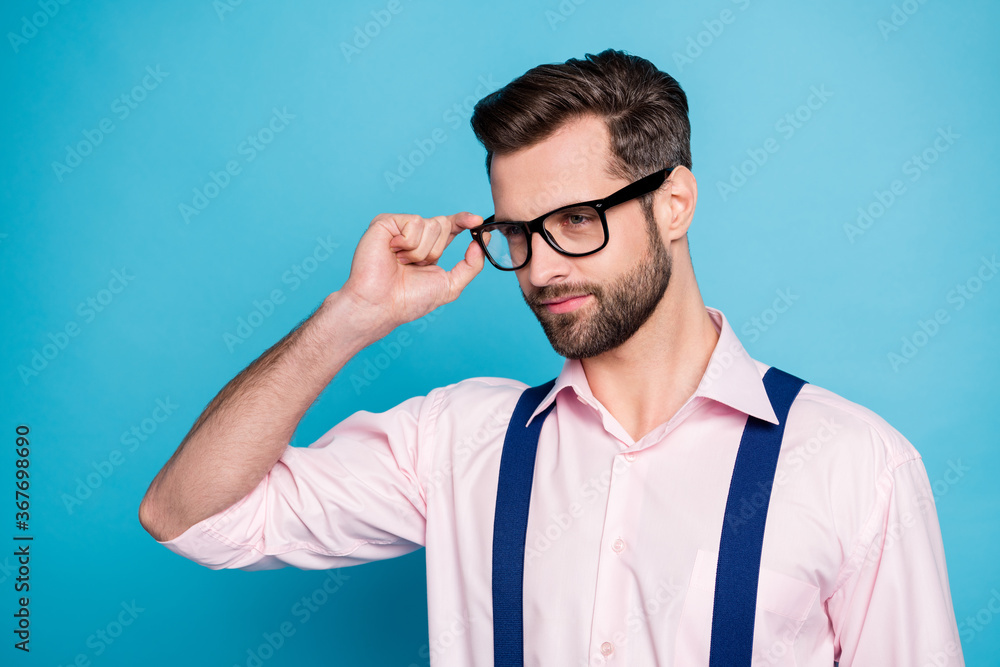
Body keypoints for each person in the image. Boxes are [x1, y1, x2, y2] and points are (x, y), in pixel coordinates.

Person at [139, 49, 964, 666]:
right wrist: (348, 320)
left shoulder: (855, 465)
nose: (540, 268)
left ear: (674, 203)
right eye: (517, 233)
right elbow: (188, 515)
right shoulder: (458, 442)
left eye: (575, 220)